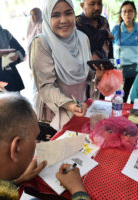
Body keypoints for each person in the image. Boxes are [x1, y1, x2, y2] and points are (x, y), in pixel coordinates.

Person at [29, 0, 104, 140]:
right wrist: (69, 104)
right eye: (55, 15)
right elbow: (46, 86)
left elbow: (85, 74)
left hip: (80, 109)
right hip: (53, 113)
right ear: (46, 17)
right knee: (57, 156)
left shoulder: (82, 39)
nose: (63, 20)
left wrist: (97, 75)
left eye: (68, 13)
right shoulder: (41, 43)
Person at [112, 1, 138, 103]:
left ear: (134, 12)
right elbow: (113, 50)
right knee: (121, 95)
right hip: (120, 68)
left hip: (135, 66)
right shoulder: (116, 28)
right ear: (121, 14)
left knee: (135, 94)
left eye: (130, 11)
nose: (127, 14)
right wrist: (117, 66)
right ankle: (119, 116)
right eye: (124, 11)